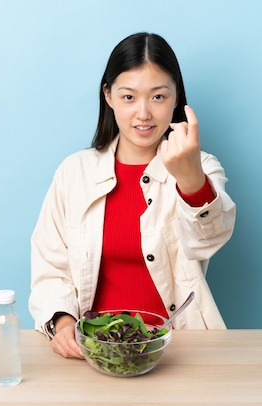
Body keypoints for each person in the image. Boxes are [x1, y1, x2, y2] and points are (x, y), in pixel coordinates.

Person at [29, 32, 236, 358]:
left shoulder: (202, 167)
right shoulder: (74, 172)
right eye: (128, 97)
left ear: (176, 97)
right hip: (93, 353)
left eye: (157, 97)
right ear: (108, 95)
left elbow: (208, 239)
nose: (143, 113)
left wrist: (190, 176)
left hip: (176, 352)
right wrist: (62, 321)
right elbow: (50, 266)